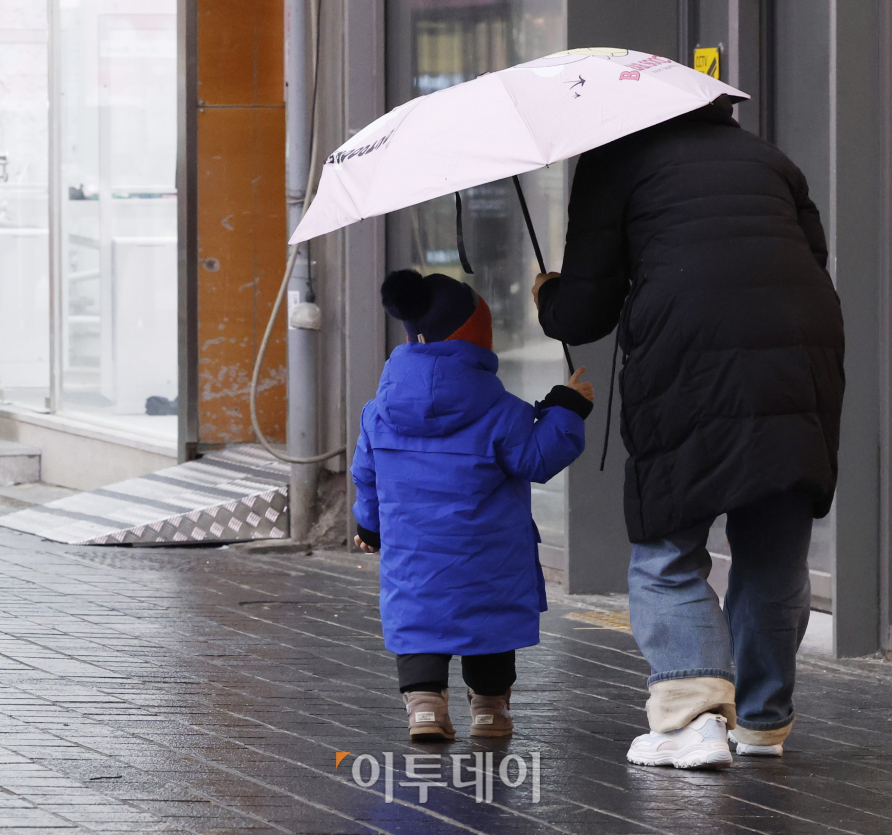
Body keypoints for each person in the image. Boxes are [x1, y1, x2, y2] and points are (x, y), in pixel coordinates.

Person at [533, 98, 845, 769]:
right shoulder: (770, 159)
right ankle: (762, 721)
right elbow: (811, 256)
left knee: (668, 542)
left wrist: (548, 297)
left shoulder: (615, 161)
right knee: (774, 542)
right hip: (801, 351)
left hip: (687, 351)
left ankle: (692, 718)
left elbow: (584, 311)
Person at [351, 269, 594, 741]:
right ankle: (489, 710)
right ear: (476, 338)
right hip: (490, 557)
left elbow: (367, 477)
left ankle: (424, 707)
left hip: (414, 558)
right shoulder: (501, 410)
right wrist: (566, 406)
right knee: (490, 626)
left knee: (418, 620)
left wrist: (371, 526)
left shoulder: (377, 413)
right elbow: (538, 457)